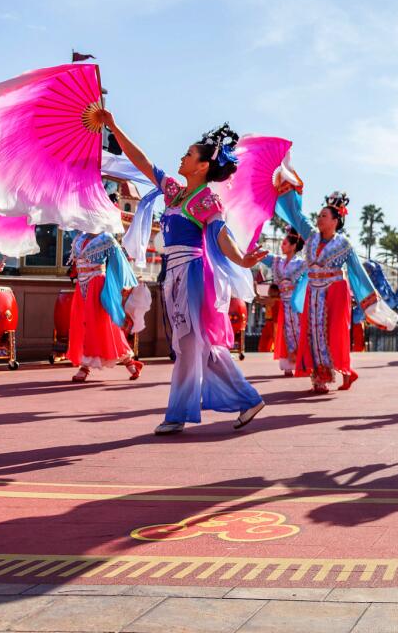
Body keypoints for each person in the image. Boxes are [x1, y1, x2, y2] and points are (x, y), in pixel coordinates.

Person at [105, 113, 267, 435]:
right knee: (195, 345)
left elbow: (221, 235)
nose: (182, 156)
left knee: (192, 345)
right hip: (174, 276)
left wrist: (243, 260)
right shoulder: (175, 192)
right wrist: (112, 123)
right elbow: (142, 161)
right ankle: (244, 399)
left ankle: (181, 413)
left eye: (189, 154)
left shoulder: (205, 199)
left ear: (203, 166)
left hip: (193, 275)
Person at [282, 192, 398, 393]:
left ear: (336, 221)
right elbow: (297, 216)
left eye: (324, 216)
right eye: (318, 216)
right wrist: (286, 190)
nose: (319, 219)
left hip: (335, 291)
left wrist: (370, 304)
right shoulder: (310, 238)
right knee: (313, 333)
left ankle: (345, 371)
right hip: (314, 292)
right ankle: (319, 379)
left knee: (336, 334)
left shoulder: (343, 245)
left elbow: (357, 273)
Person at [67, 230, 143, 383]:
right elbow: (75, 265)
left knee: (104, 325)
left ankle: (127, 363)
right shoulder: (79, 238)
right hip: (81, 285)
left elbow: (118, 263)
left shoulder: (106, 238)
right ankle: (87, 364)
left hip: (97, 285)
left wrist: (122, 285)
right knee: (83, 324)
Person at [266, 231, 307, 377]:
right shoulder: (278, 261)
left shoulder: (302, 263)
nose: (282, 246)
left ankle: (303, 363)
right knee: (286, 332)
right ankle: (289, 364)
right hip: (283, 303)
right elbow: (264, 256)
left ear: (293, 246)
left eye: (284, 243)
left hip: (297, 303)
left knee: (300, 330)